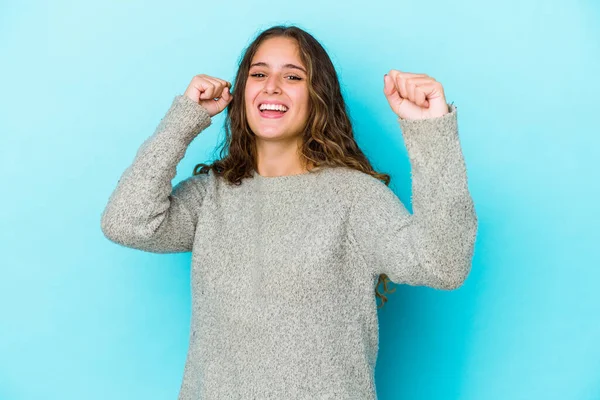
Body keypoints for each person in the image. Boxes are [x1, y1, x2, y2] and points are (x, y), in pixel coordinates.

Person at [101, 24, 477, 400]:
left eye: (293, 76)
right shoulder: (209, 197)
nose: (272, 86)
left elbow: (442, 264)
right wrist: (183, 120)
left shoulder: (354, 197)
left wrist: (431, 133)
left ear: (318, 97)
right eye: (259, 73)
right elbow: (127, 223)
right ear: (242, 91)